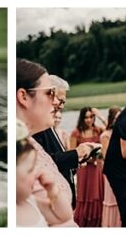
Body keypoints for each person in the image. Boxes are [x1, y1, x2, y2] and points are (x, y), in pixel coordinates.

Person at [16, 59, 75, 226]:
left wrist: (53, 191)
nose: (56, 101)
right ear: (23, 97)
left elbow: (63, 215)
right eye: (50, 93)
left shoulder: (31, 145)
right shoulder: (18, 154)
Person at [31, 75, 98, 208]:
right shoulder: (36, 126)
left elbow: (54, 158)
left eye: (63, 102)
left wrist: (75, 162)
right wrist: (75, 154)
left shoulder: (47, 123)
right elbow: (44, 162)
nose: (60, 106)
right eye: (59, 101)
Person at [71, 106, 105, 227]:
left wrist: (100, 116)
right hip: (84, 168)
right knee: (86, 194)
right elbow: (71, 153)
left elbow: (112, 131)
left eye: (91, 116)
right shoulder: (76, 133)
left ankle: (99, 221)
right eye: (86, 117)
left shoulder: (98, 130)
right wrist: (86, 157)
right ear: (82, 118)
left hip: (97, 168)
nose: (89, 120)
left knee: (98, 194)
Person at [99, 106, 125, 227]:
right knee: (113, 200)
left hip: (124, 171)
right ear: (112, 119)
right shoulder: (106, 135)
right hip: (112, 171)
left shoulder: (122, 132)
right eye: (117, 118)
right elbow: (105, 156)